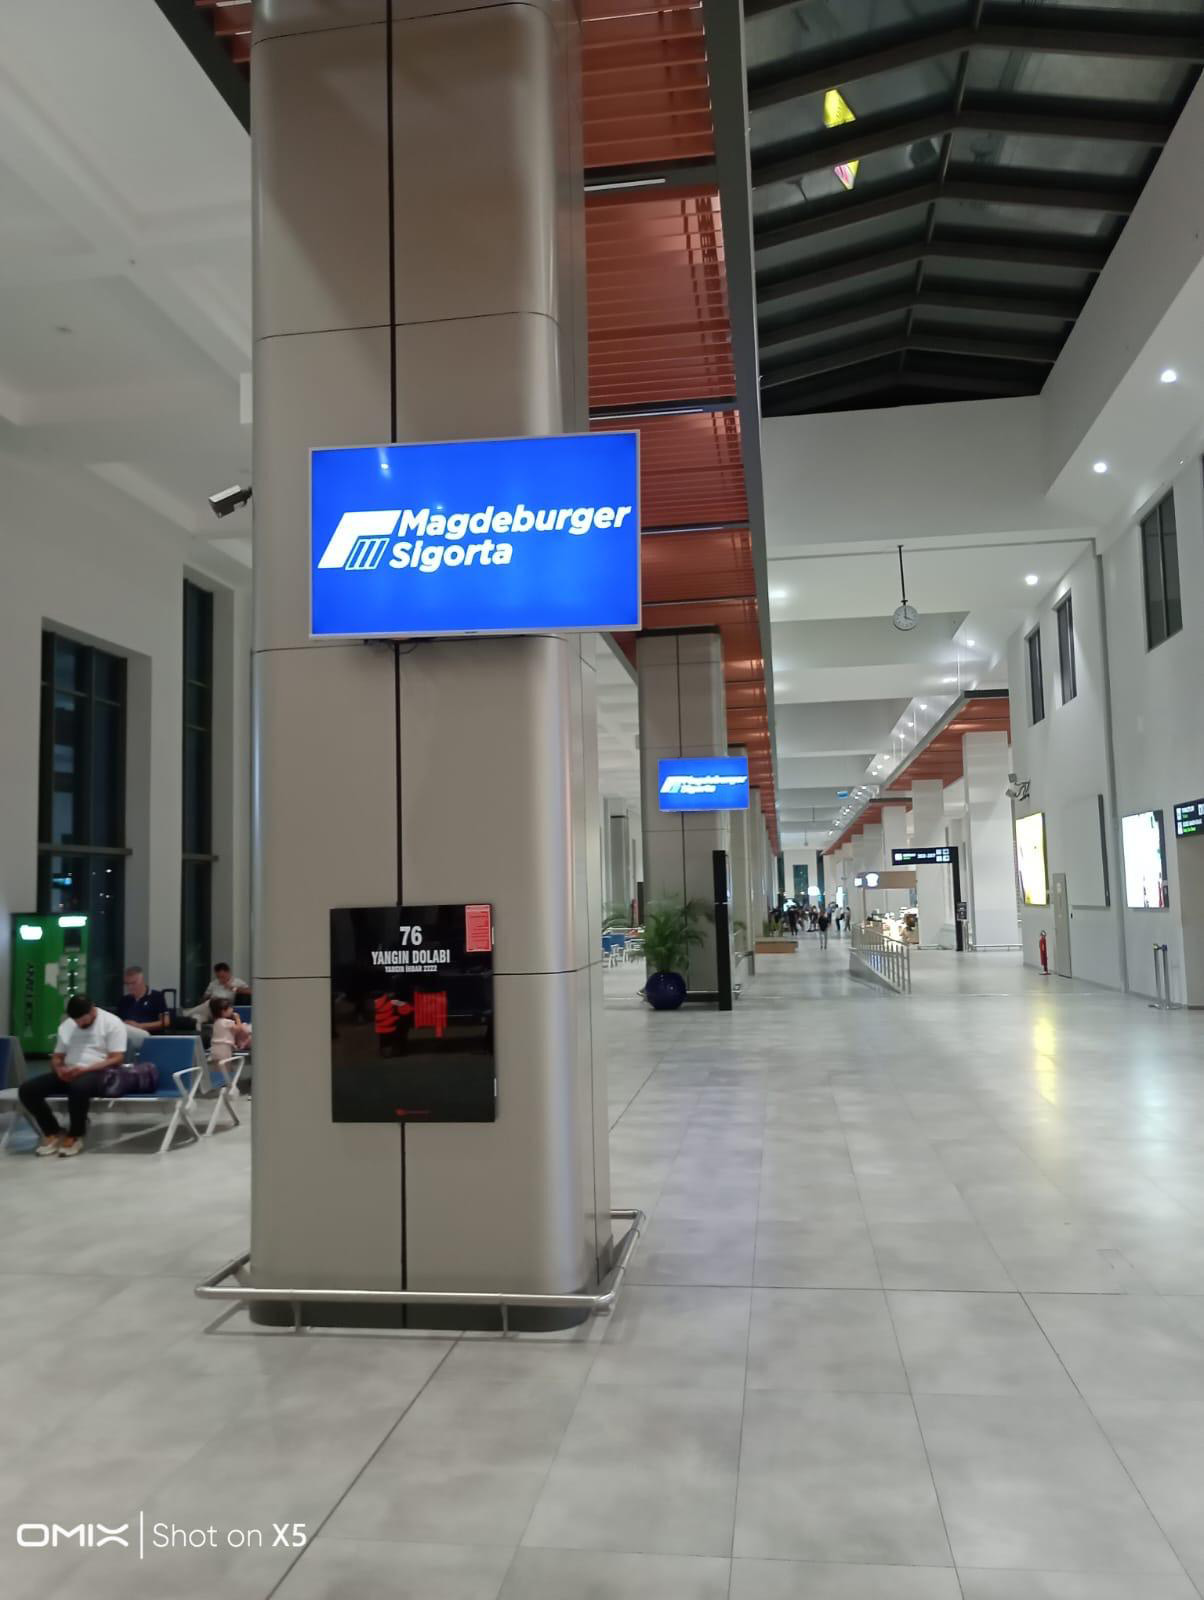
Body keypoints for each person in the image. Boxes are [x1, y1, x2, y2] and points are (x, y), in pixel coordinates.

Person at [18, 994, 127, 1157]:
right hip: (70, 1071)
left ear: (92, 1011)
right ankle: (53, 1131)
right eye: (76, 1021)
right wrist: (59, 1069)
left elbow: (117, 1058)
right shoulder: (68, 1026)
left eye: (82, 1020)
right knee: (28, 1090)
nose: (79, 1024)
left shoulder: (112, 1023)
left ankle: (75, 1135)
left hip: (99, 1072)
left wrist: (86, 1069)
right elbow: (57, 1057)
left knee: (78, 1087)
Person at [115, 965, 170, 1033]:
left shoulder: (157, 996)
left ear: (142, 981)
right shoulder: (124, 1000)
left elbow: (166, 1022)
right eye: (127, 984)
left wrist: (140, 1026)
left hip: (150, 1036)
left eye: (133, 983)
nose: (130, 987)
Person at [209, 998, 252, 1081]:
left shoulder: (216, 1022)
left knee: (218, 1069)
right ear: (223, 1011)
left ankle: (220, 1083)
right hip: (224, 1049)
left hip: (214, 1048)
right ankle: (226, 1084)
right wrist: (237, 1018)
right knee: (225, 1069)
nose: (232, 1010)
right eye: (229, 1008)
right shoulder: (227, 1022)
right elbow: (239, 1028)